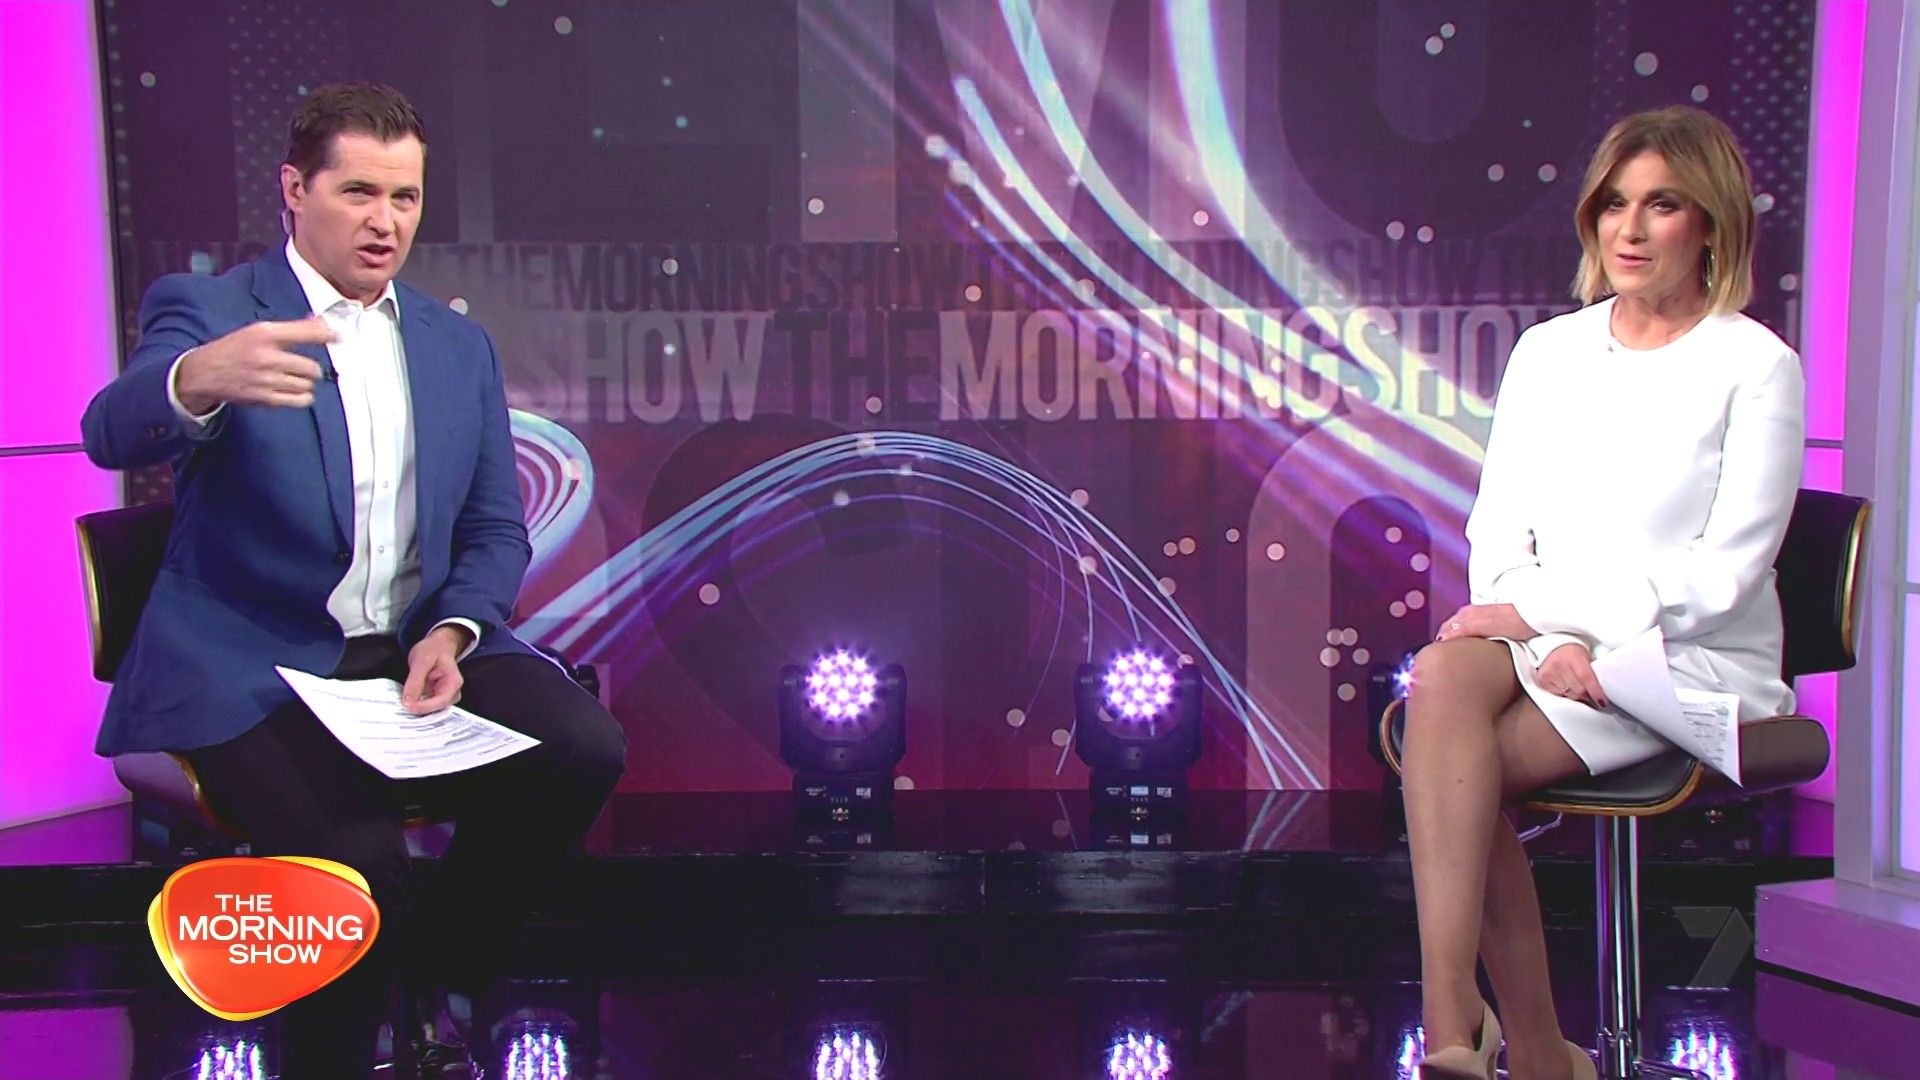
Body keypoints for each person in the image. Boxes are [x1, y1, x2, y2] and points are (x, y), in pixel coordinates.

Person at [81, 82, 627, 1079]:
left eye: (405, 197)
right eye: (359, 193)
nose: (386, 222)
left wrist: (454, 631)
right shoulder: (214, 312)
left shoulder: (455, 346)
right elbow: (109, 429)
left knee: (582, 747)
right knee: (358, 860)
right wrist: (196, 379)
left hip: (405, 645)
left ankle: (438, 984)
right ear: (296, 190)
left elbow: (493, 528)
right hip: (252, 662)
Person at [1402, 106, 1803, 1079]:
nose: (1629, 229)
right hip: (1551, 643)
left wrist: (1552, 621)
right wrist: (1547, 638)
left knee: (1461, 776)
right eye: (1614, 204)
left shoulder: (1756, 367)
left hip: (1689, 660)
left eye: (1661, 205)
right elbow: (1498, 538)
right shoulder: (1549, 352)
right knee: (1443, 675)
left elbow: (1724, 576)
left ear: (1710, 222)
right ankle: (1454, 1007)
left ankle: (1529, 1049)